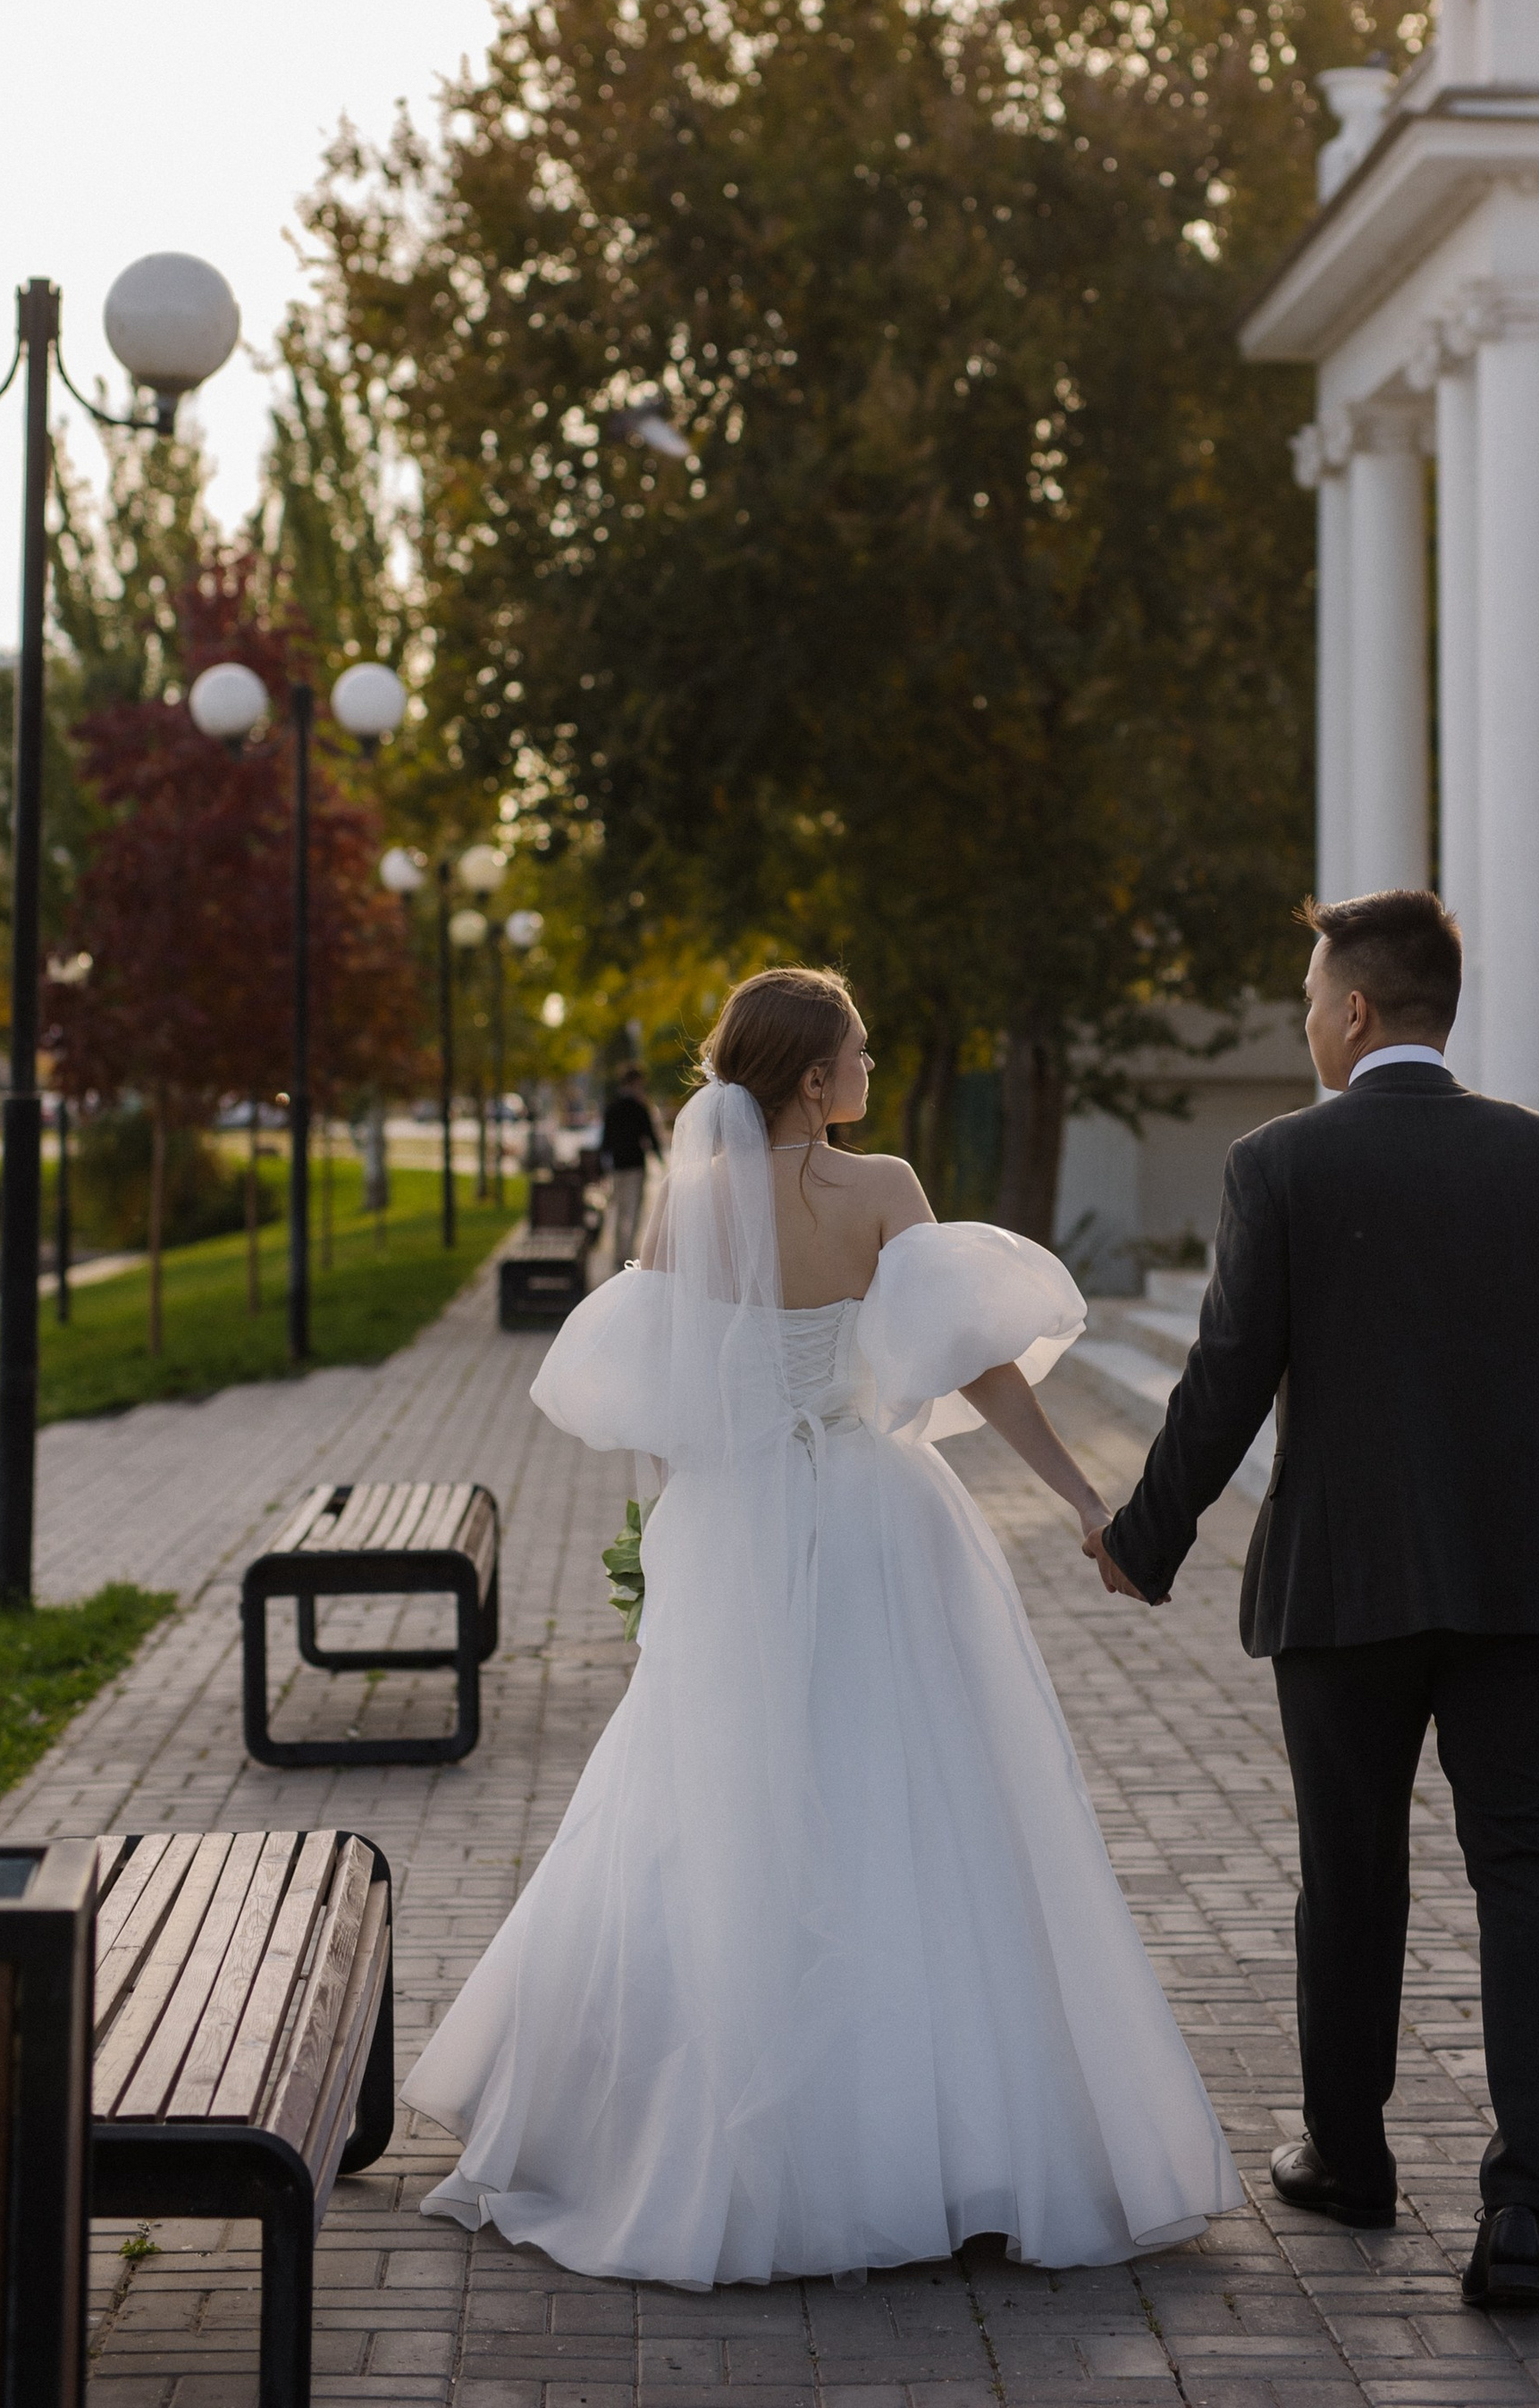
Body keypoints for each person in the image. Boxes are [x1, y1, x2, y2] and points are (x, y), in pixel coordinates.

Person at [406, 964, 1239, 2287]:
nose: (867, 1064)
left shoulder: (691, 1201)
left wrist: (670, 1550)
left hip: (735, 1523)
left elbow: (671, 1399)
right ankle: (951, 2144)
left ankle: (698, 2139)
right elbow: (980, 1367)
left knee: (721, 1807)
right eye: (853, 1048)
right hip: (875, 1519)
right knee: (916, 1804)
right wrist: (1090, 1501)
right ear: (812, 1079)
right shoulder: (886, 1188)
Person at [1089, 888, 1539, 2316]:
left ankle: (1350, 2160)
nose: (1302, 1020)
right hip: (1534, 1583)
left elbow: (1227, 1377)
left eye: (1309, 997)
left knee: (1350, 1881)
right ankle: (1526, 2201)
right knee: (1528, 1873)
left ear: (1354, 1013)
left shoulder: (1280, 1163)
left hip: (1343, 1586)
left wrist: (1142, 1535)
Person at [596, 1060, 661, 1266]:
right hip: (634, 1165)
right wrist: (660, 1159)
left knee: (619, 1209)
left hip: (618, 1166)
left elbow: (605, 1140)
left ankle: (619, 1252)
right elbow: (650, 1137)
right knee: (632, 1210)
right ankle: (628, 1252)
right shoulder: (639, 1108)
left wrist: (601, 1166)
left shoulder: (612, 1108)